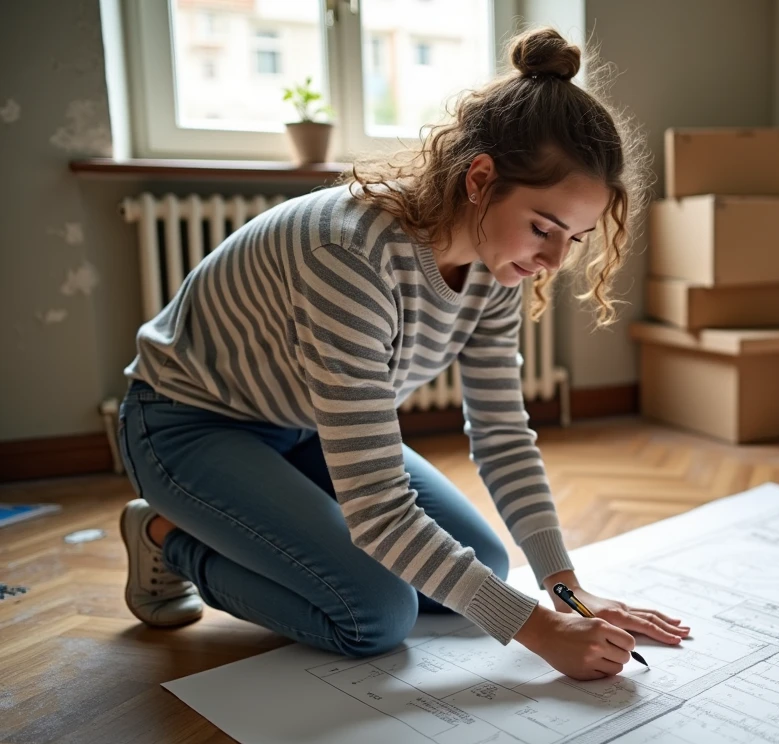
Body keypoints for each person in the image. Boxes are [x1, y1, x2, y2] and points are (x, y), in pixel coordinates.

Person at [116, 27, 688, 681]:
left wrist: (565, 589)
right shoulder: (347, 256)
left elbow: (502, 434)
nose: (553, 262)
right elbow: (380, 510)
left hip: (300, 426)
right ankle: (167, 536)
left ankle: (245, 514)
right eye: (543, 229)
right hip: (186, 423)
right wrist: (540, 632)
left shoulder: (496, 265)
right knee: (375, 615)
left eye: (576, 238)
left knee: (483, 564)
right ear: (480, 179)